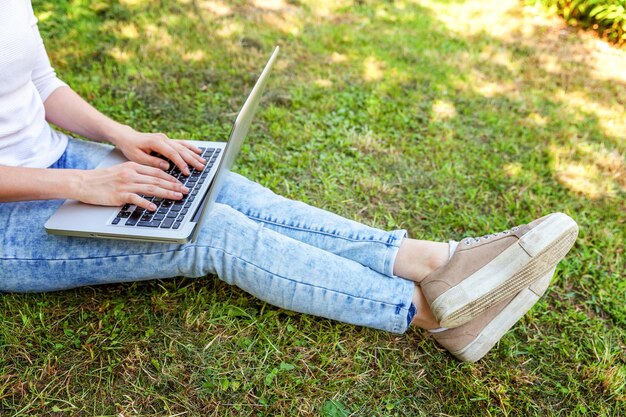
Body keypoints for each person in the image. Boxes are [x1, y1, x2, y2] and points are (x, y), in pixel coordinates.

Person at [0, 0, 578, 362]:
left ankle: (437, 262)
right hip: (11, 221)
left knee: (223, 189)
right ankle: (430, 312)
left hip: (64, 156)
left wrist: (120, 135)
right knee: (215, 233)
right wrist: (82, 189)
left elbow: (43, 83)